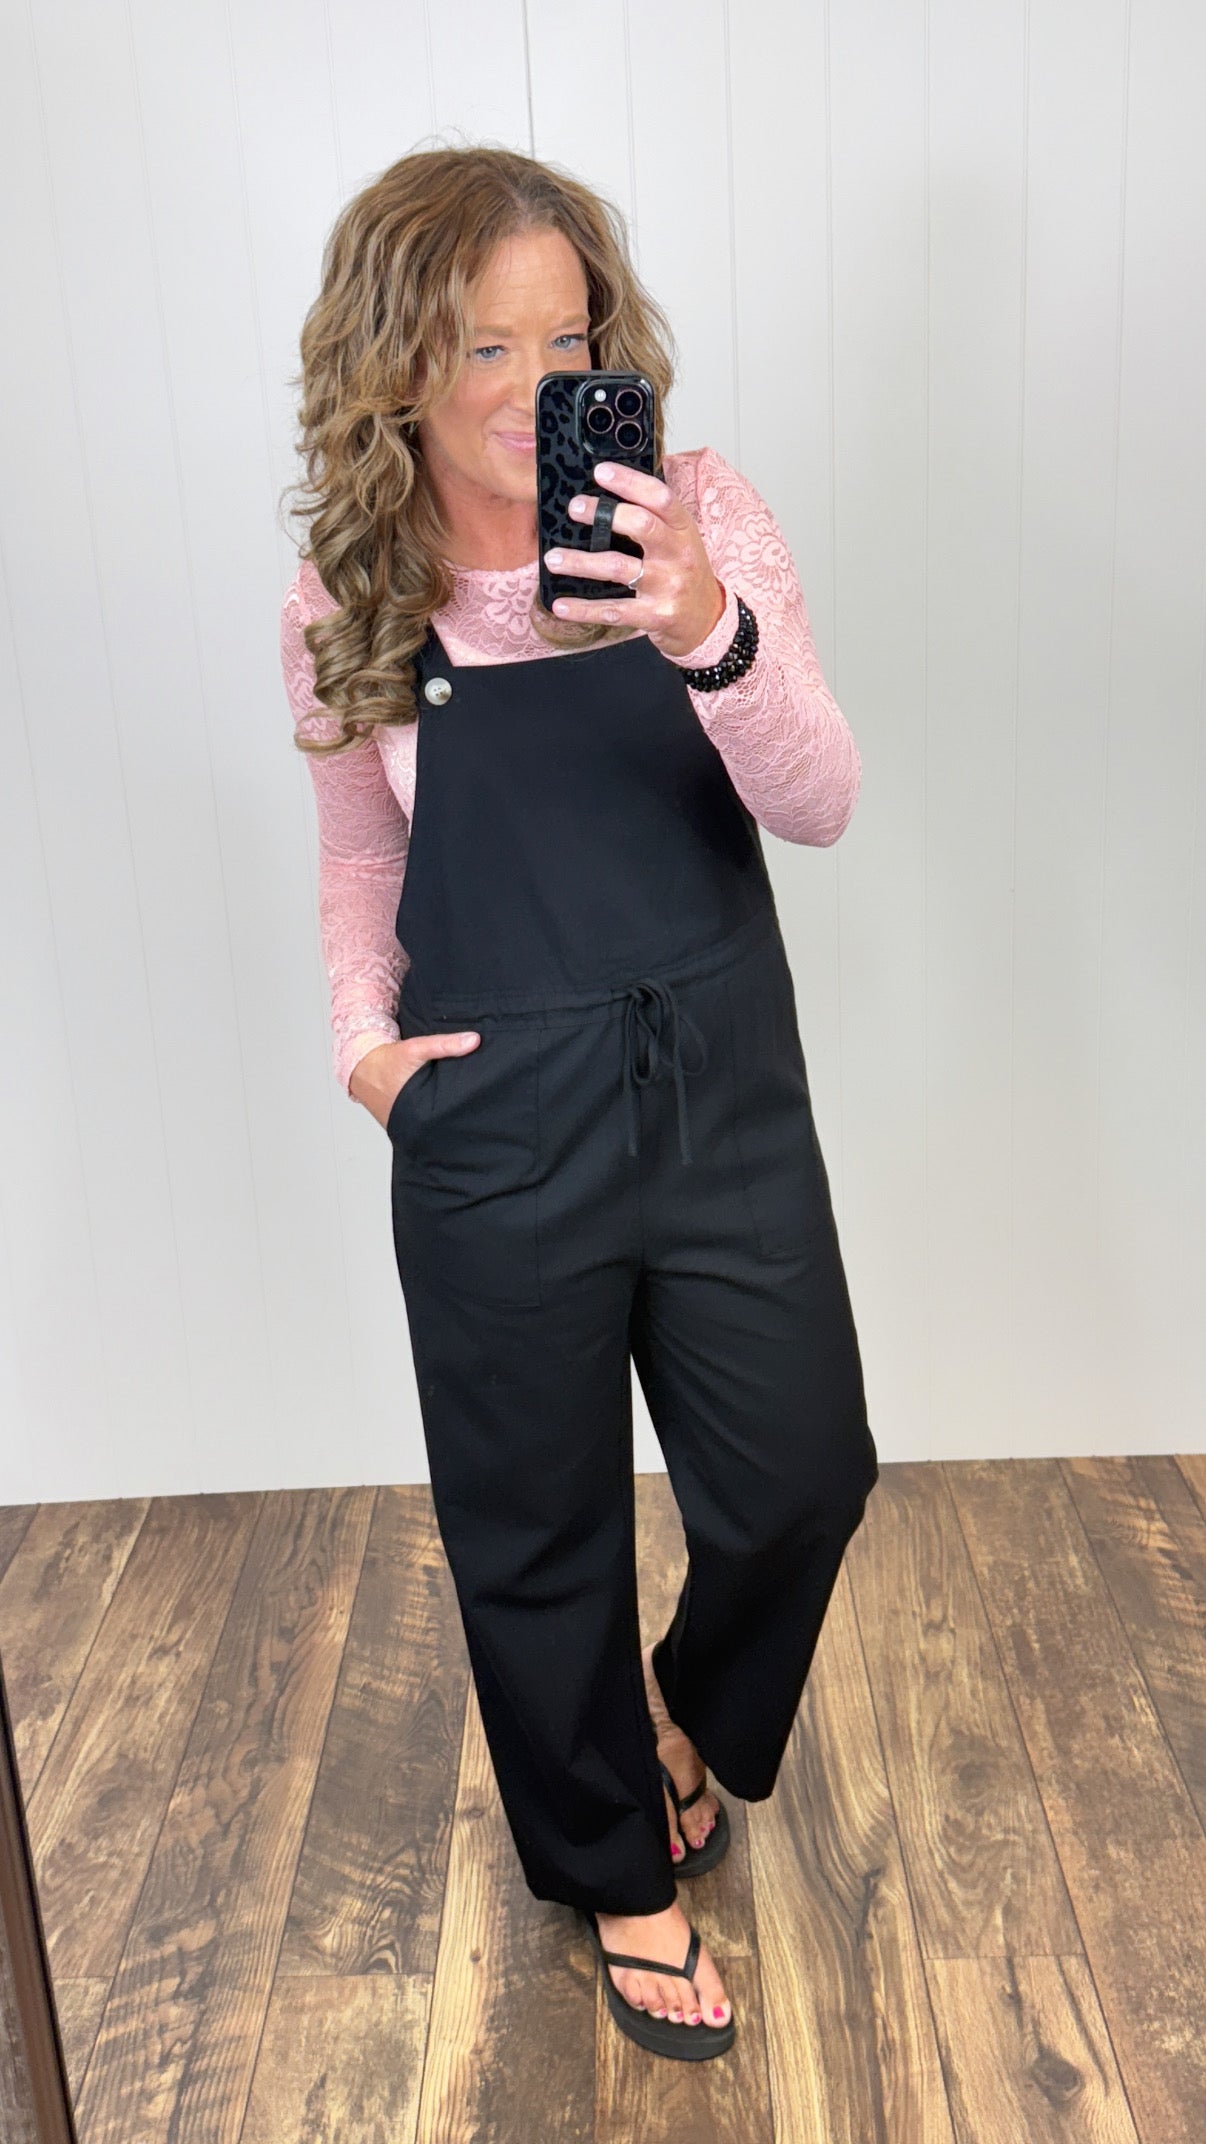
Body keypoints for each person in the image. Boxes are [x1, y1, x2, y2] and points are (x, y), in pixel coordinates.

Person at [279, 143, 879, 2063]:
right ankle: (619, 1874)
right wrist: (363, 1048)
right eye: (484, 347)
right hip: (497, 1117)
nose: (537, 388)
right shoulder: (350, 593)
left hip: (717, 1085)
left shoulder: (698, 515)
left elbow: (819, 798)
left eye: (569, 342)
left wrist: (702, 626)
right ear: (393, 365)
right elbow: (360, 854)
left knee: (802, 1477)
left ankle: (676, 1719)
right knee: (532, 1532)